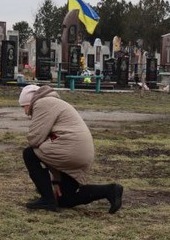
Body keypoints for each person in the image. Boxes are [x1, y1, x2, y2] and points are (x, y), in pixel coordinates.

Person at [19, 84, 124, 213]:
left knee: (29, 153)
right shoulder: (56, 102)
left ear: (29, 100)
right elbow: (52, 147)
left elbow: (35, 138)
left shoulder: (42, 103)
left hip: (69, 151)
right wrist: (56, 182)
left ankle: (47, 199)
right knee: (65, 199)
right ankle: (109, 190)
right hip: (79, 153)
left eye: (23, 106)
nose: (25, 111)